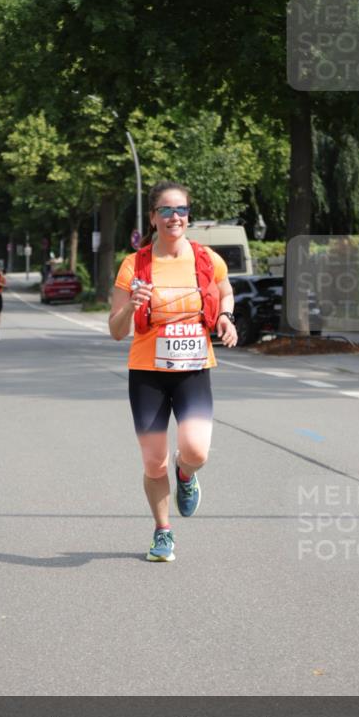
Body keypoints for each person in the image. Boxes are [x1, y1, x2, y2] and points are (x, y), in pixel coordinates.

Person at [109, 181, 238, 563]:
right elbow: (116, 331)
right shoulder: (134, 265)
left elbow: (225, 292)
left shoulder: (207, 259)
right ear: (152, 218)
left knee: (196, 451)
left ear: (188, 216)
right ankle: (163, 531)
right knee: (153, 461)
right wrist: (132, 306)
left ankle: (186, 475)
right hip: (147, 372)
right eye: (165, 211)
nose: (174, 217)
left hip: (193, 369)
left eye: (180, 210)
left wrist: (227, 318)